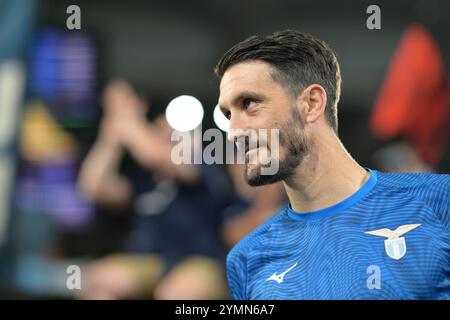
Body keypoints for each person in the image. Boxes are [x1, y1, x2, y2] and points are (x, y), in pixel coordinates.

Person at [215, 30, 449, 299]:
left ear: (312, 103)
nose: (233, 131)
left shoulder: (439, 201)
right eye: (228, 114)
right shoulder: (247, 258)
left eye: (250, 103)